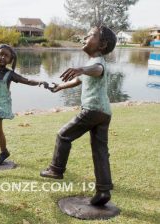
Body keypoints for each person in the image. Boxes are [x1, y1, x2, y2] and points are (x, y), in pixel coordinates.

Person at [40, 25, 117, 206]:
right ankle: (103, 191)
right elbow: (77, 80)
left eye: (90, 35)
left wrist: (82, 69)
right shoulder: (91, 64)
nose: (85, 37)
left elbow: (97, 70)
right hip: (104, 113)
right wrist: (59, 86)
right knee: (100, 151)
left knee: (63, 135)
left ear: (102, 45)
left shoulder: (98, 63)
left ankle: (56, 169)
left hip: (92, 110)